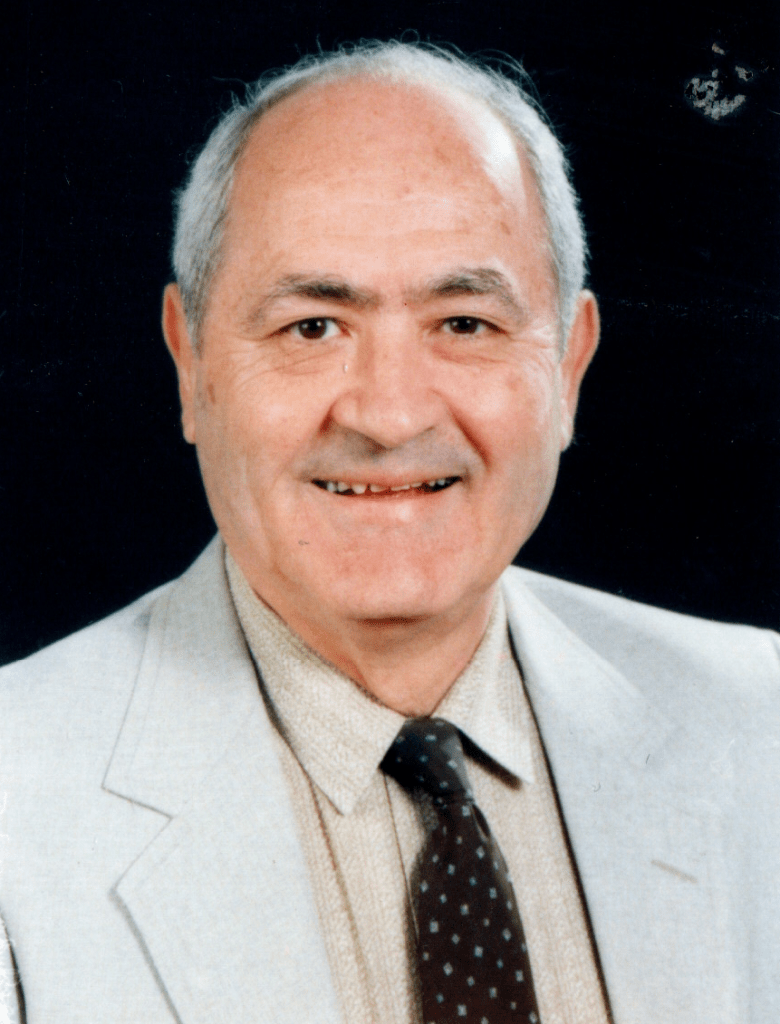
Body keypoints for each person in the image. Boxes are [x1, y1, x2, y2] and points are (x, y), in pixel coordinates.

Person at [0, 40, 778, 1024]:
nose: (390, 413)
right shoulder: (15, 801)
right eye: (313, 326)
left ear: (570, 366)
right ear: (191, 363)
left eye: (463, 322)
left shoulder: (763, 731)